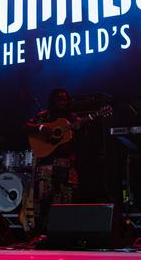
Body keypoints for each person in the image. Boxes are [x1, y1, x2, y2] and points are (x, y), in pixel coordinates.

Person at [25, 88, 80, 232]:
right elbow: (27, 126)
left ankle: (65, 232)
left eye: (65, 99)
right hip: (47, 164)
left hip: (67, 163)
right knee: (45, 199)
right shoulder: (45, 115)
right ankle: (43, 232)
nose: (63, 102)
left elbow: (80, 140)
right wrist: (41, 127)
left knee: (66, 199)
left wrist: (79, 129)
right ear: (53, 101)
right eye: (60, 99)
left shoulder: (72, 118)